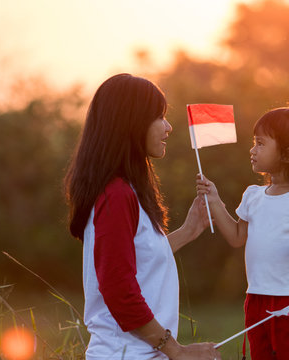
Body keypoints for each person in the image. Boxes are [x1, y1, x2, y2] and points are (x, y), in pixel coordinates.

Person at [64, 73, 221, 360]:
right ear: (131, 122)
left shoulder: (126, 190)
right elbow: (117, 287)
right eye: (158, 117)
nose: (168, 127)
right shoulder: (116, 194)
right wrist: (177, 351)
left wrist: (188, 231)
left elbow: (135, 261)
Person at [196, 105, 289, 359]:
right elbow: (237, 237)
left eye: (260, 143)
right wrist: (214, 199)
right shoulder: (253, 195)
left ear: (287, 154)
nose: (252, 150)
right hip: (257, 298)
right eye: (254, 143)